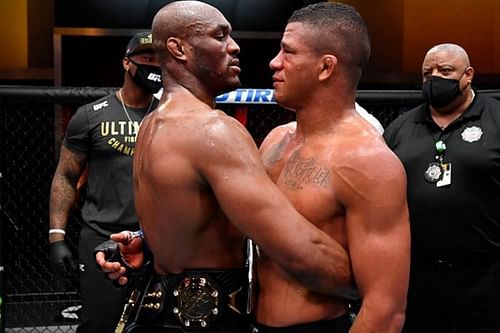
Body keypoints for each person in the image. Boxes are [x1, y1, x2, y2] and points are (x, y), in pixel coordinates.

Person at [98, 1, 358, 332]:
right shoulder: (211, 130)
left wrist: (143, 242)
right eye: (219, 36)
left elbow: (187, 223)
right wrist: (374, 285)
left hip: (161, 314)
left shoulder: (153, 122)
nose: (234, 46)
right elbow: (300, 251)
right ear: (179, 49)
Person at [253, 3, 409, 332]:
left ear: (326, 67)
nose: (274, 63)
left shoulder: (368, 161)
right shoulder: (274, 139)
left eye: (288, 52)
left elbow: (385, 309)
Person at [48, 31, 162, 333]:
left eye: (160, 60)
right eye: (147, 58)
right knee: (100, 324)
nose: (154, 65)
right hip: (102, 236)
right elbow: (66, 175)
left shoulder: (169, 116)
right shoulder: (90, 116)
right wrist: (56, 236)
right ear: (127, 62)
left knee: (155, 325)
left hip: (156, 241)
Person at [383, 43, 500, 333]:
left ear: (468, 74)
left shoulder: (496, 118)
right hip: (417, 277)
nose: (435, 78)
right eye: (427, 73)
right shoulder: (401, 127)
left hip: (485, 275)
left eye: (445, 71)